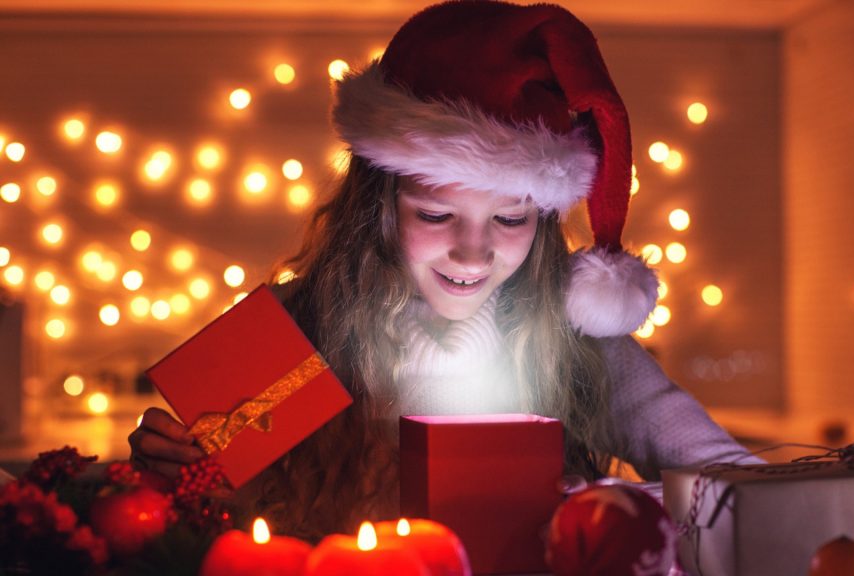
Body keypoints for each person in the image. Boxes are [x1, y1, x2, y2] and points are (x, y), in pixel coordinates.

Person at [128, 0, 757, 540]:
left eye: (510, 221)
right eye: (435, 213)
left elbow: (735, 485)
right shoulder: (293, 327)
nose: (473, 253)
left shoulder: (578, 339)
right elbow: (189, 530)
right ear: (375, 208)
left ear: (541, 227)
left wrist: (606, 512)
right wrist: (169, 480)